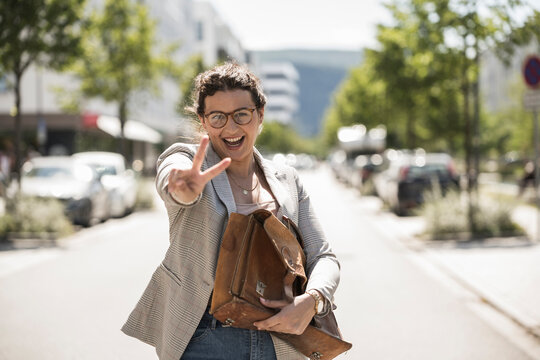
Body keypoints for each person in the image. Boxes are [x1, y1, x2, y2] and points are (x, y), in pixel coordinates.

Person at [122, 62, 341, 360]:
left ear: (260, 115)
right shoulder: (188, 160)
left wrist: (313, 300)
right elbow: (172, 177)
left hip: (282, 339)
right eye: (217, 117)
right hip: (206, 338)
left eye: (242, 114)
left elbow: (323, 257)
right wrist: (181, 188)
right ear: (203, 121)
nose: (231, 127)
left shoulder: (287, 178)